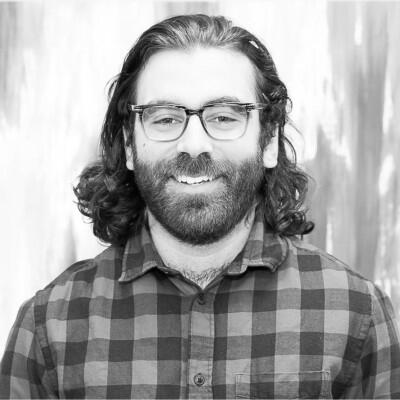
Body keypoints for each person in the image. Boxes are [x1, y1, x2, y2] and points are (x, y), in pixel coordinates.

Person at [1, 14, 399, 399]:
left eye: (224, 117)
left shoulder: (356, 313)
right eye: (164, 119)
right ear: (129, 145)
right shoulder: (50, 326)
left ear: (269, 142)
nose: (193, 144)